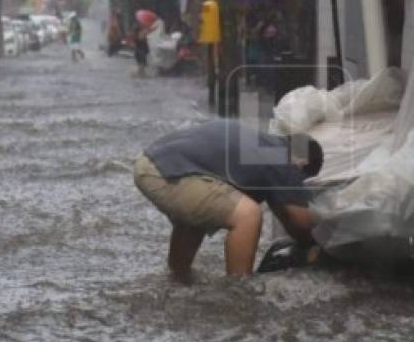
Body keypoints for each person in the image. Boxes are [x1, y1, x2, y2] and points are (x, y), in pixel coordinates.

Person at [133, 119, 323, 279]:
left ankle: (176, 278)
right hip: (164, 172)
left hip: (152, 162)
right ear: (302, 164)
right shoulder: (283, 158)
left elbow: (284, 211)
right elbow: (299, 221)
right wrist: (324, 243)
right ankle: (238, 292)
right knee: (247, 215)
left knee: (199, 215)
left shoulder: (264, 147)